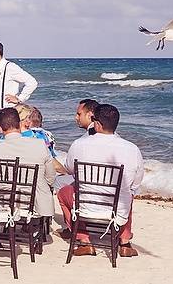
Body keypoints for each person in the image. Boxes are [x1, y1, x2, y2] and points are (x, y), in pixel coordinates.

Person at [58, 103, 143, 258]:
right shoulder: (132, 149)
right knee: (127, 193)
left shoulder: (79, 144)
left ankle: (84, 240)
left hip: (85, 205)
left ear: (97, 124)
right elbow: (136, 184)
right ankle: (124, 242)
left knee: (63, 193)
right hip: (117, 209)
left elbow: (70, 169)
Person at [0, 107, 56, 218]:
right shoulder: (39, 144)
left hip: (4, 199)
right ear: (19, 123)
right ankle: (32, 227)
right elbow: (51, 176)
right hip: (34, 201)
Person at [0, 40, 38, 140]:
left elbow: (32, 82)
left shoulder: (10, 67)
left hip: (9, 114)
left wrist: (19, 99)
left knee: (9, 141)